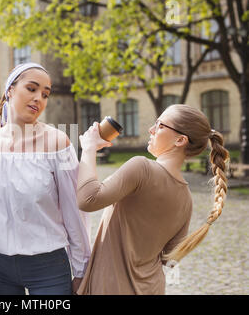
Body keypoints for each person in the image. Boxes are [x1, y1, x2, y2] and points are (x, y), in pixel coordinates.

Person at [0, 63, 91, 295]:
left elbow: (76, 213)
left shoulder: (58, 144)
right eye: (31, 89)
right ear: (10, 90)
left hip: (48, 266)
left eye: (45, 94)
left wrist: (81, 271)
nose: (39, 98)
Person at [76, 104, 229, 295]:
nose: (152, 129)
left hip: (111, 286)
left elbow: (88, 199)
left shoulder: (142, 168)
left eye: (161, 125)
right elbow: (168, 259)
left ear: (180, 140)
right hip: (152, 289)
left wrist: (89, 148)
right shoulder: (186, 199)